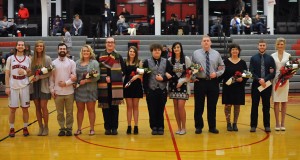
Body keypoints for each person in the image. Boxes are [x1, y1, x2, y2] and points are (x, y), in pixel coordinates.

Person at [192, 35, 225, 134]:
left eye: (207, 41)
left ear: (210, 43)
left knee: (212, 106)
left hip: (213, 82)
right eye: (204, 41)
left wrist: (217, 74)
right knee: (198, 106)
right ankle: (198, 126)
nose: (206, 42)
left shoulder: (216, 54)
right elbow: (191, 67)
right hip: (200, 81)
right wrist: (194, 75)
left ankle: (212, 127)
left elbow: (222, 67)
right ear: (201, 43)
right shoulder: (196, 53)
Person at [142, 43, 172, 135]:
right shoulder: (146, 62)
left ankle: (161, 127)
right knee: (152, 109)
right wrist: (146, 90)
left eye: (158, 50)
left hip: (162, 90)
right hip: (151, 90)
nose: (157, 51)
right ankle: (154, 127)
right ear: (152, 51)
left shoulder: (166, 61)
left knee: (161, 109)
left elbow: (171, 75)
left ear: (161, 51)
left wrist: (164, 78)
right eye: (155, 50)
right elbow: (145, 77)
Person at [97, 37, 125, 135]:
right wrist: (104, 78)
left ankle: (114, 128)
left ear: (114, 44)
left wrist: (114, 77)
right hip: (103, 85)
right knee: (105, 107)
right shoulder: (100, 56)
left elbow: (124, 70)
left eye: (111, 42)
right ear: (105, 44)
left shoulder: (118, 56)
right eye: (108, 42)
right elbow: (96, 71)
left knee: (114, 107)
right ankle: (107, 128)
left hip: (115, 85)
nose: (110, 44)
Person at [5, 40, 32, 137]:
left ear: (25, 47)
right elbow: (7, 73)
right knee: (12, 109)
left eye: (22, 45)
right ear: (16, 47)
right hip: (13, 86)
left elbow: (30, 73)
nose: (20, 46)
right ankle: (11, 128)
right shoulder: (10, 58)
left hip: (24, 85)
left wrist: (25, 72)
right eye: (19, 45)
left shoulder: (28, 59)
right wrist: (7, 86)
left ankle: (25, 127)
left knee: (25, 109)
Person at [50, 43, 76, 136]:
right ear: (58, 50)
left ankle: (69, 128)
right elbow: (51, 78)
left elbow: (74, 77)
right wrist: (52, 90)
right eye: (60, 48)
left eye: (64, 49)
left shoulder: (71, 62)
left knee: (69, 112)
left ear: (66, 50)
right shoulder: (53, 63)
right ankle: (61, 128)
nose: (62, 50)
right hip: (57, 92)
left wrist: (66, 83)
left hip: (69, 92)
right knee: (59, 113)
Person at [249, 39, 276, 132]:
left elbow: (273, 73)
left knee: (266, 106)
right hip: (256, 85)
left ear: (266, 46)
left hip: (267, 85)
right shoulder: (253, 58)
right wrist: (259, 79)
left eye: (263, 45)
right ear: (258, 46)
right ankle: (253, 125)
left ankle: (267, 125)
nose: (262, 47)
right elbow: (251, 72)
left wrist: (265, 79)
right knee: (254, 105)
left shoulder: (270, 58)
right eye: (260, 45)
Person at [220, 44, 247, 131]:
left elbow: (246, 74)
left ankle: (235, 123)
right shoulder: (225, 62)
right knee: (228, 105)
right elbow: (222, 74)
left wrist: (242, 79)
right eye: (233, 49)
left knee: (237, 105)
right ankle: (228, 123)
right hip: (228, 88)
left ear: (239, 51)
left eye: (236, 49)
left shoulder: (243, 62)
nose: (234, 51)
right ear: (230, 51)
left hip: (238, 88)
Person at [74, 45, 100, 136]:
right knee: (80, 110)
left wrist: (86, 81)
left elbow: (97, 77)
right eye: (84, 51)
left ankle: (92, 129)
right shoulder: (76, 63)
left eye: (87, 51)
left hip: (91, 90)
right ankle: (79, 128)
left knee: (91, 110)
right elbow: (74, 75)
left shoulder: (95, 63)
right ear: (81, 52)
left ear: (90, 52)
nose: (86, 53)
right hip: (79, 90)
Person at [30, 40, 52, 136]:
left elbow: (50, 73)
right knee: (37, 107)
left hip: (44, 85)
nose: (39, 48)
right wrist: (27, 73)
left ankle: (46, 127)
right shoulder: (31, 59)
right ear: (35, 48)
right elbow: (30, 72)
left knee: (44, 107)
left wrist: (39, 77)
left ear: (43, 48)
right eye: (38, 46)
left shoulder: (47, 59)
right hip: (34, 86)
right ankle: (40, 126)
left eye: (41, 46)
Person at [168, 42, 191, 135]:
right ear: (172, 50)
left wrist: (182, 81)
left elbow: (190, 73)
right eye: (174, 48)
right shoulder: (170, 60)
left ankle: (184, 128)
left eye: (178, 47)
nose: (176, 49)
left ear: (181, 48)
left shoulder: (186, 59)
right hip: (173, 86)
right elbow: (168, 72)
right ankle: (179, 127)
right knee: (176, 107)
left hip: (183, 86)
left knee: (181, 106)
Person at [271, 38, 290, 131]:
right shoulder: (272, 55)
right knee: (276, 101)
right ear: (276, 45)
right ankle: (277, 123)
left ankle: (283, 123)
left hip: (285, 80)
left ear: (284, 45)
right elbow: (271, 69)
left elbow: (291, 69)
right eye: (278, 44)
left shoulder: (288, 55)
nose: (280, 46)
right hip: (275, 80)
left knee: (284, 102)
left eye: (282, 44)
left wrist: (287, 75)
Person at [123, 46, 143, 135]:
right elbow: (122, 73)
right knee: (129, 107)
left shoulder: (139, 62)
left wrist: (137, 76)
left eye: (133, 52)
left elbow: (142, 75)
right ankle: (128, 126)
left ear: (136, 53)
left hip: (136, 86)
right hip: (127, 86)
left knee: (135, 107)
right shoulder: (125, 62)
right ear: (128, 52)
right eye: (130, 51)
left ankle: (136, 126)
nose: (132, 53)